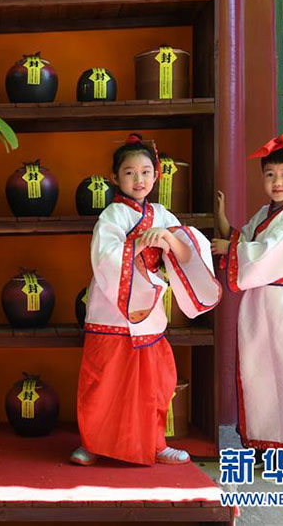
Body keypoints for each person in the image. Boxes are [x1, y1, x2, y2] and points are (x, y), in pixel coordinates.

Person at [72, 134, 221, 466]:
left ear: (156, 176)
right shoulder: (112, 215)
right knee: (102, 379)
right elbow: (104, 257)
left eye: (145, 172)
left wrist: (168, 237)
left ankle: (155, 442)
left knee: (155, 382)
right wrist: (138, 244)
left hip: (148, 309)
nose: (138, 180)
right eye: (129, 172)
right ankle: (92, 443)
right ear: (115, 177)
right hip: (110, 308)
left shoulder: (162, 214)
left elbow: (187, 253)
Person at [210, 134, 283, 466]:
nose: (277, 182)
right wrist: (221, 217)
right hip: (260, 300)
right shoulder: (265, 213)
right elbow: (241, 240)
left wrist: (231, 249)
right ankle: (263, 442)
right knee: (257, 370)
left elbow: (270, 252)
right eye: (270, 174)